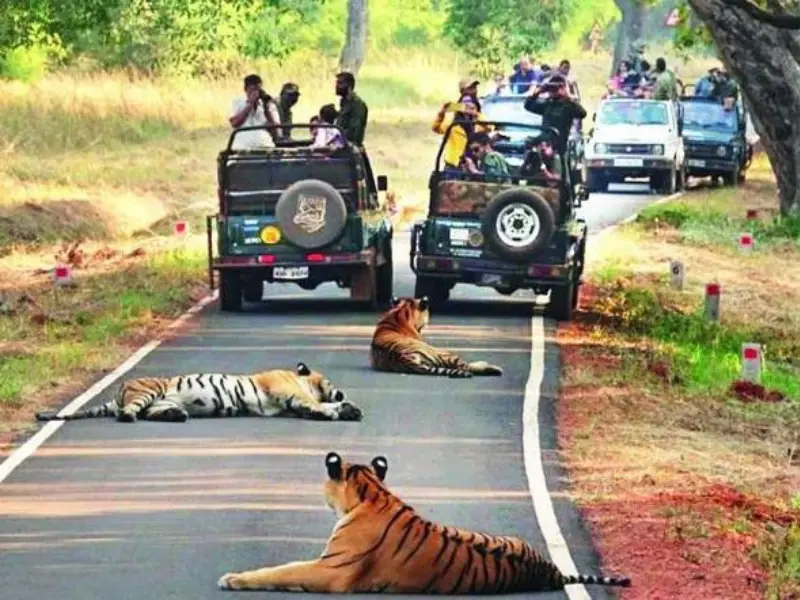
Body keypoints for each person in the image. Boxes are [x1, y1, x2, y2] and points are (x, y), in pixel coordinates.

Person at [432, 79, 491, 176]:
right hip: (453, 166)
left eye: (474, 88)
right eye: (470, 88)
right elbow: (436, 128)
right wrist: (442, 113)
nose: (473, 91)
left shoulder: (477, 125)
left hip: (471, 166)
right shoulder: (454, 125)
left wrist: (476, 115)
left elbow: (489, 128)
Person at [523, 74, 587, 153]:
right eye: (551, 88)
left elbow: (582, 113)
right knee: (529, 146)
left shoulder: (568, 105)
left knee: (548, 153)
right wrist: (538, 91)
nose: (553, 91)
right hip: (544, 139)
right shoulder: (547, 104)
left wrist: (568, 96)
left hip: (558, 144)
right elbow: (528, 105)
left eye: (555, 88)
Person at [228, 74, 282, 149]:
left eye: (258, 90)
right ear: (245, 89)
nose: (256, 93)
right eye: (253, 90)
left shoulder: (268, 105)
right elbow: (234, 123)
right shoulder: (237, 102)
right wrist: (250, 104)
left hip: (265, 145)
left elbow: (277, 133)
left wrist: (266, 109)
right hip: (242, 147)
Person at [334, 72, 368, 147]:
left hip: (349, 148)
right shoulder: (345, 103)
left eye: (340, 83)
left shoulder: (357, 105)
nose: (336, 86)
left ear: (349, 86)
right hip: (341, 144)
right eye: (337, 83)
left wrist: (336, 137)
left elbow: (355, 132)